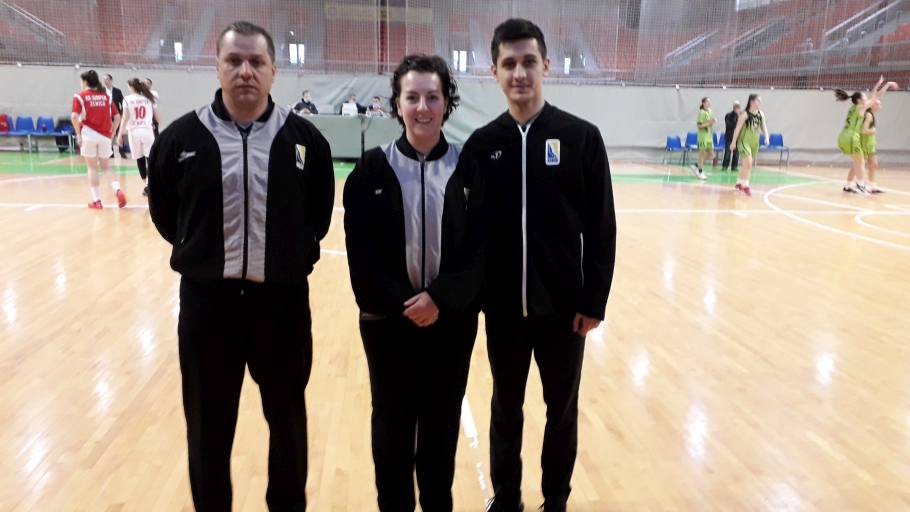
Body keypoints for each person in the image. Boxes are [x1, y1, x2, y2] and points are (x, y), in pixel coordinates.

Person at [147, 21, 335, 511]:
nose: (245, 71)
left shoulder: (305, 141)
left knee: (288, 422)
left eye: (256, 62)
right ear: (218, 67)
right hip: (208, 308)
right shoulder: (181, 138)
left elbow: (318, 216)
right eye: (234, 61)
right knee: (207, 428)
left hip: (282, 305)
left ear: (274, 71)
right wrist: (206, 255)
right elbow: (167, 216)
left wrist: (288, 257)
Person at [462, 18, 616, 512]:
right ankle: (507, 500)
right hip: (504, 310)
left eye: (528, 61)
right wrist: (473, 298)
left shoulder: (581, 138)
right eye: (509, 64)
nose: (520, 73)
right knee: (505, 410)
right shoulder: (482, 145)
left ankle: (556, 501)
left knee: (561, 413)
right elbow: (469, 235)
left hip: (565, 312)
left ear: (546, 66)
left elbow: (602, 227)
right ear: (494, 72)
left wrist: (594, 301)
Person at [344, 53, 484, 512]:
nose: (422, 107)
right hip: (388, 326)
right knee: (391, 432)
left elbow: (480, 253)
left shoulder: (469, 169)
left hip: (451, 325)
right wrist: (407, 305)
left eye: (432, 97)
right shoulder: (369, 171)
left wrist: (439, 299)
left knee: (441, 433)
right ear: (397, 105)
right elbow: (362, 261)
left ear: (447, 104)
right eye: (412, 97)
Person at [71, 69, 124, 209]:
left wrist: (78, 134)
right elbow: (117, 117)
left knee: (92, 168)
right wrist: (112, 133)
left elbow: (74, 117)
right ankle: (118, 190)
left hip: (88, 134)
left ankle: (97, 200)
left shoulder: (80, 96)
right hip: (105, 136)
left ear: (85, 82)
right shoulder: (106, 97)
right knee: (107, 167)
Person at [834, 77, 897, 194]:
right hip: (852, 136)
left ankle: (851, 185)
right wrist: (881, 85)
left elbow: (874, 97)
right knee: (860, 162)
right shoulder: (863, 108)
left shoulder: (853, 107)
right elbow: (875, 96)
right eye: (864, 97)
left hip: (843, 135)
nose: (866, 99)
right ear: (859, 100)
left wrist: (880, 84)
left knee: (858, 162)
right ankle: (861, 186)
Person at [117, 78, 159, 197]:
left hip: (134, 132)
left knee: (139, 159)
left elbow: (125, 118)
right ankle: (150, 184)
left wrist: (120, 134)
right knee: (150, 159)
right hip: (147, 131)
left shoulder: (127, 99)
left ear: (131, 87)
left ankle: (147, 184)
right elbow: (157, 117)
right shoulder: (149, 98)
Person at [729, 94, 768, 197]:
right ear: (751, 101)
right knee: (749, 162)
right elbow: (737, 129)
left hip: (754, 142)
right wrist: (733, 142)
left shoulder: (761, 114)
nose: (760, 103)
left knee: (746, 165)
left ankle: (739, 183)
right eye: (758, 101)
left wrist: (767, 137)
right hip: (744, 142)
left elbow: (764, 126)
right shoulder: (745, 114)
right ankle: (746, 185)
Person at [104, 74, 127, 158]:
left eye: (106, 79)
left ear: (111, 80)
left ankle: (122, 151)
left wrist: (121, 114)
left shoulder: (117, 91)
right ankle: (110, 152)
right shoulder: (101, 90)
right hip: (106, 116)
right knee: (108, 134)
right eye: (104, 79)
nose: (105, 81)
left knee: (119, 133)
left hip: (116, 116)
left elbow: (123, 103)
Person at [692, 96, 714, 180]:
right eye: (707, 102)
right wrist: (709, 123)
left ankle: (696, 165)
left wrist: (712, 121)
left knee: (711, 154)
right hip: (703, 137)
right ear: (703, 103)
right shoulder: (701, 112)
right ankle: (700, 172)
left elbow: (710, 122)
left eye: (709, 102)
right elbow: (699, 125)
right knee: (702, 154)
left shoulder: (710, 111)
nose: (709, 103)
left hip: (709, 136)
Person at [721, 101, 741, 172]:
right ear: (733, 107)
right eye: (736, 107)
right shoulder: (728, 115)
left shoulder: (741, 116)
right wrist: (736, 120)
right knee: (727, 152)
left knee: (736, 153)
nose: (737, 108)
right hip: (729, 137)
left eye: (738, 107)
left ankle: (734, 167)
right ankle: (725, 166)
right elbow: (728, 125)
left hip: (738, 138)